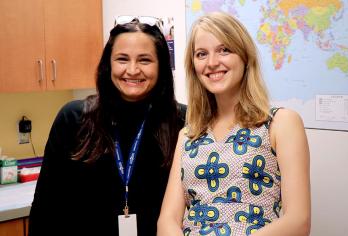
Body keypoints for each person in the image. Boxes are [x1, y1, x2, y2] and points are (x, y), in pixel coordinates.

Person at [29, 16, 186, 236]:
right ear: (108, 64)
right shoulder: (74, 118)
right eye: (122, 59)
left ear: (161, 66)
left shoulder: (182, 123)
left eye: (144, 60)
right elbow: (46, 209)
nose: (132, 70)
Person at [158, 11, 310, 236]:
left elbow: (299, 221)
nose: (212, 63)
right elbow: (166, 222)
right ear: (193, 66)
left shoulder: (281, 123)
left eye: (224, 50)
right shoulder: (188, 135)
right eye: (201, 54)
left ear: (245, 56)